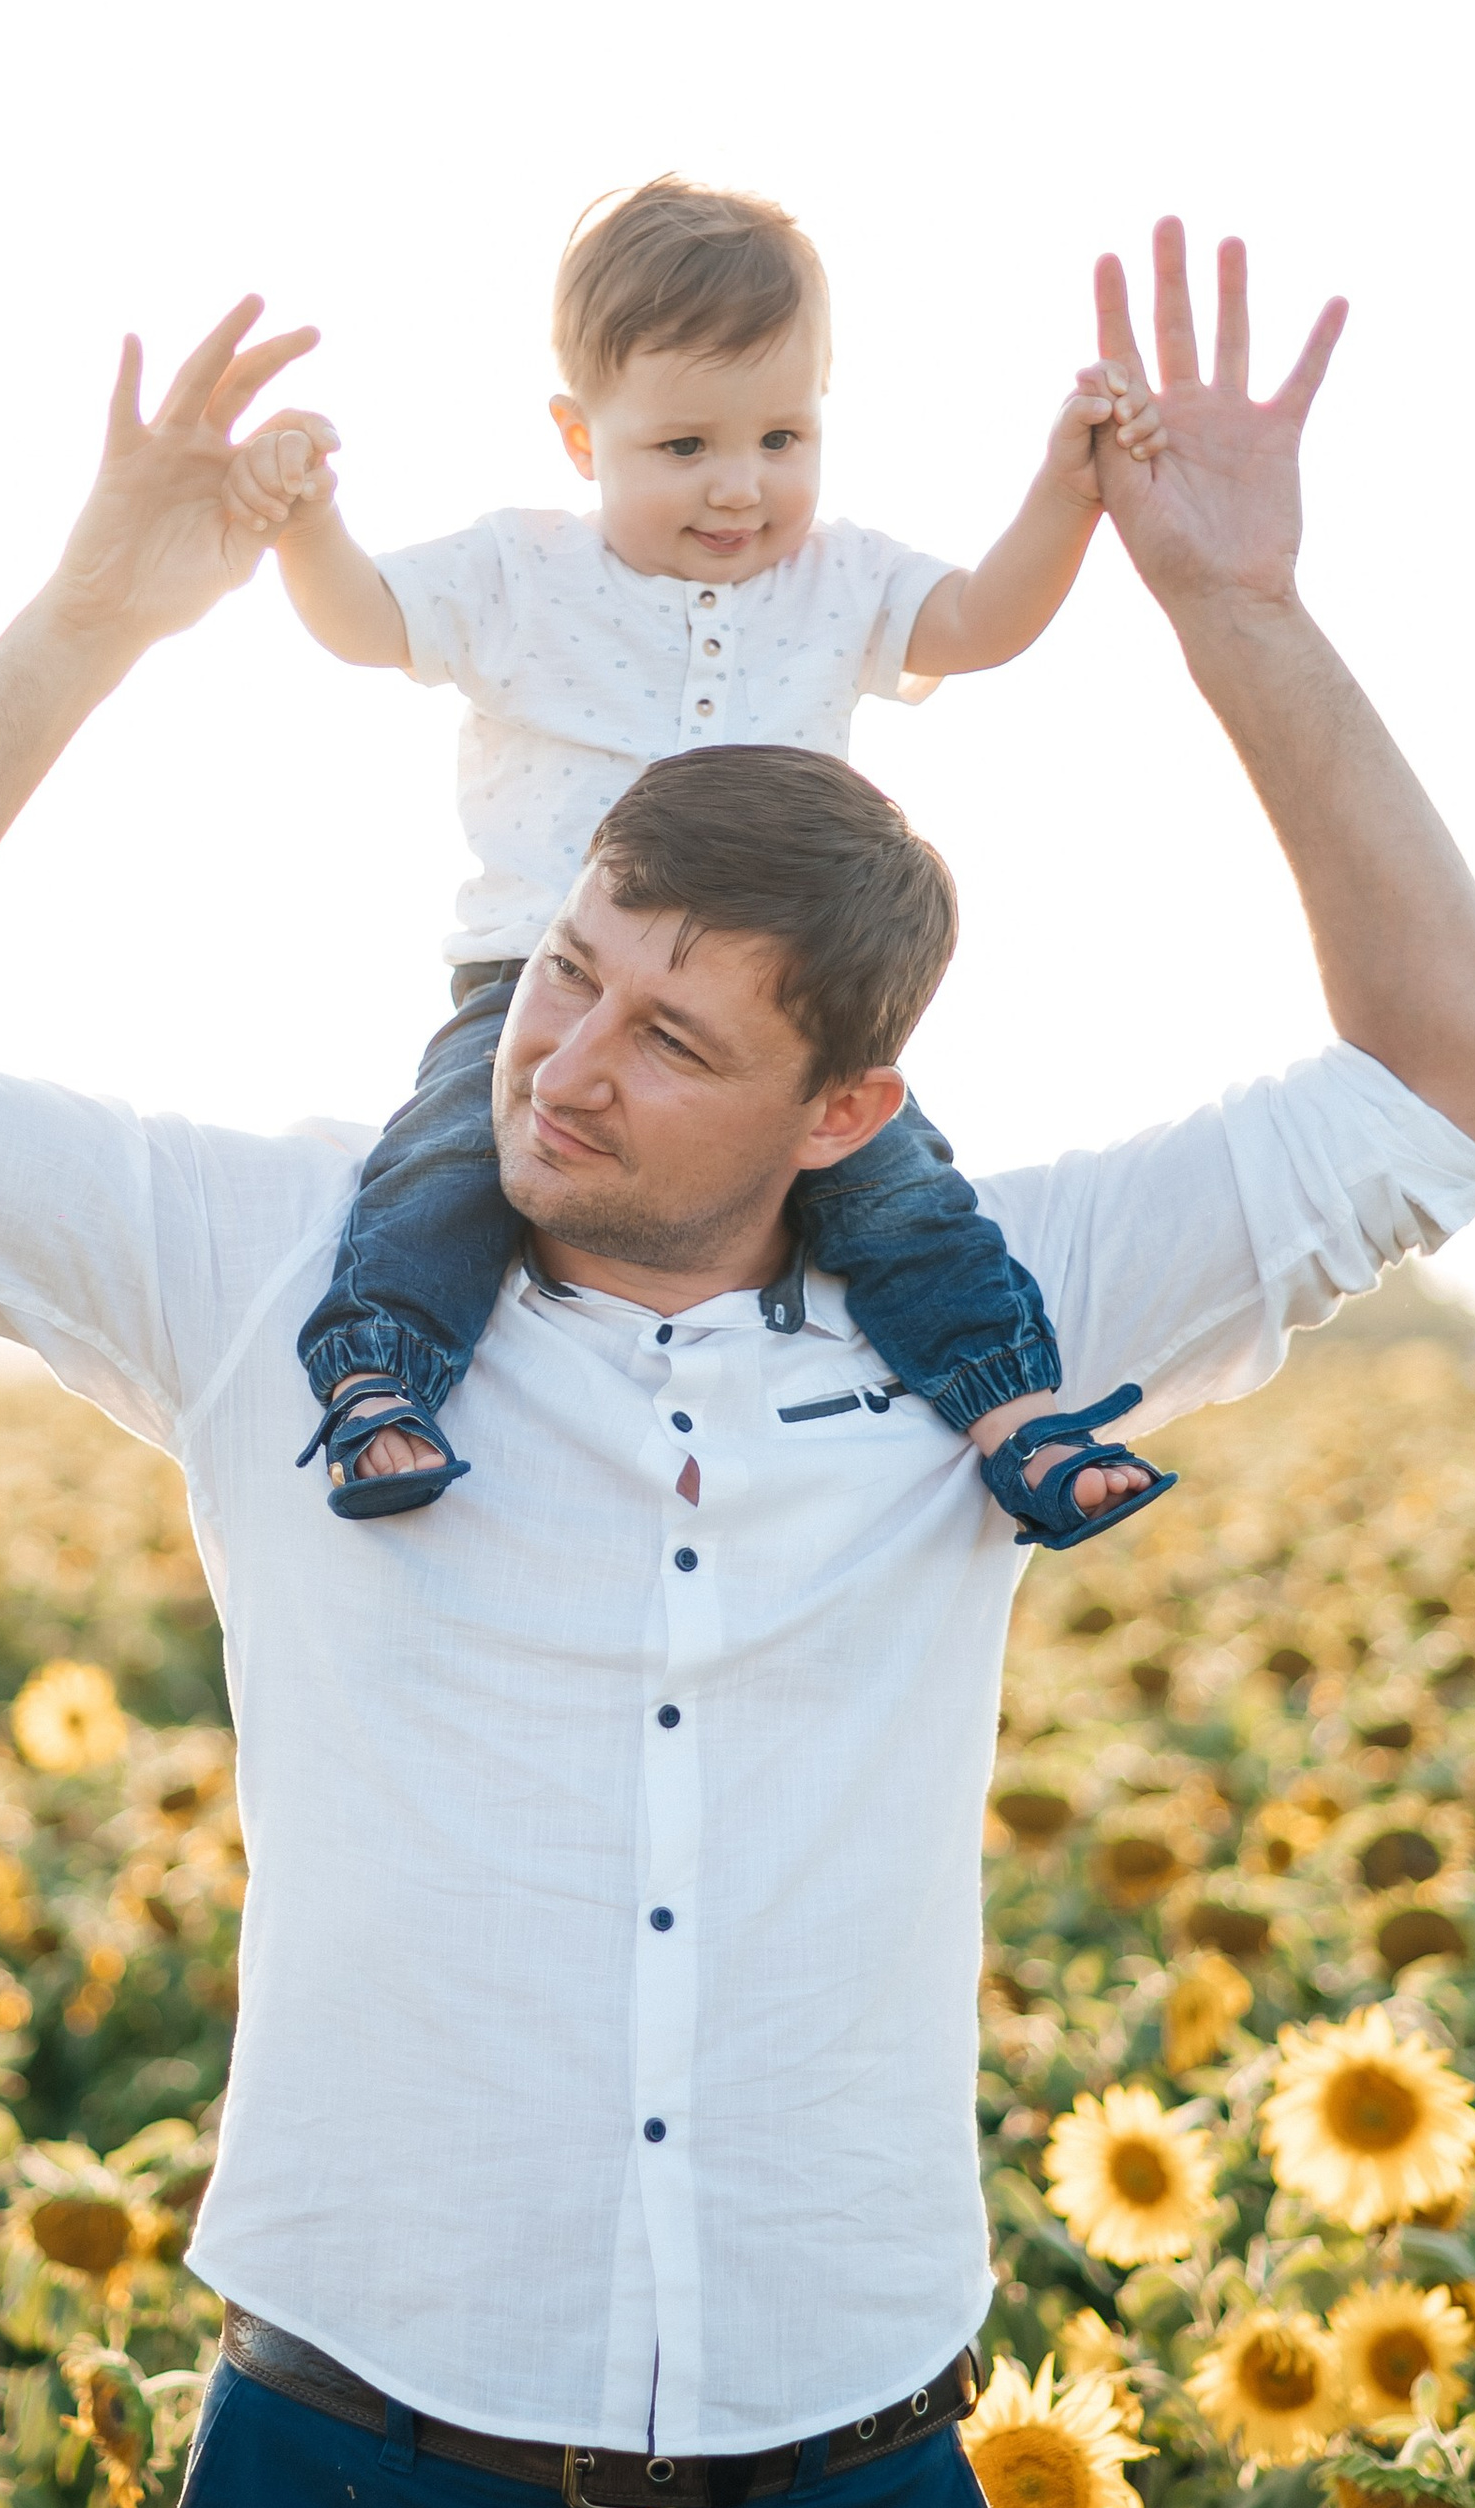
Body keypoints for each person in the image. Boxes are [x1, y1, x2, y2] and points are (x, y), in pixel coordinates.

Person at [0, 221, 1475, 2508]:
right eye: (564, 975)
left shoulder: (1003, 1311)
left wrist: (1243, 617)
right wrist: (95, 617)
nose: (565, 1062)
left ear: (846, 1105)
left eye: (671, 1033)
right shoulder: (275, 1271)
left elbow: (1461, 1075)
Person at [239, 171, 1177, 1546]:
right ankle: (382, 1378)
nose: (741, 485)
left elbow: (978, 621)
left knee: (901, 1191)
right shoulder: (522, 576)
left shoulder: (838, 581)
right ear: (581, 438)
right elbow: (369, 621)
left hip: (773, 1007)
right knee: (445, 1164)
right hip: (534, 977)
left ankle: (1011, 1411)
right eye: (684, 447)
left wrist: (1065, 492)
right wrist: (306, 522)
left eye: (782, 436)